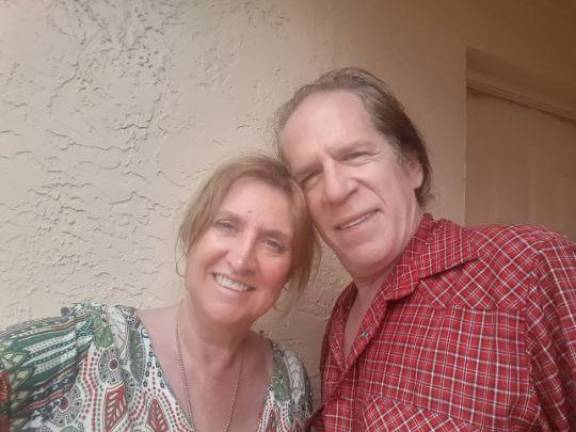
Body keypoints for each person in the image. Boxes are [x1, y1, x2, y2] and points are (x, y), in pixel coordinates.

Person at [275, 67, 576, 431]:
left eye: (355, 155)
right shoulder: (341, 317)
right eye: (310, 176)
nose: (335, 191)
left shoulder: (530, 267)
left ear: (412, 166)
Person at [0, 155, 319, 431]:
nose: (241, 260)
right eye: (226, 225)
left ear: (288, 273)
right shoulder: (91, 345)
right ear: (193, 236)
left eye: (272, 243)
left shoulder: (290, 383)